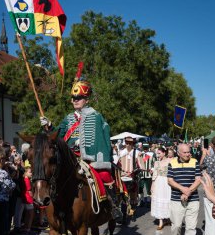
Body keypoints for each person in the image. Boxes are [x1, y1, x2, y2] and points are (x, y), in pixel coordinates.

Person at [40, 70, 122, 220]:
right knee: (52, 174)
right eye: (73, 98)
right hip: (70, 156)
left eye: (78, 98)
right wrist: (49, 126)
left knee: (104, 174)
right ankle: (49, 207)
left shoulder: (95, 116)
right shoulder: (68, 118)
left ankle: (113, 205)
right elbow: (57, 135)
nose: (75, 100)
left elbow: (102, 136)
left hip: (88, 158)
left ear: (86, 99)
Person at [167, 143, 201, 235]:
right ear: (179, 153)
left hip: (193, 199)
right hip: (176, 199)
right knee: (176, 225)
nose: (188, 154)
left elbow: (198, 179)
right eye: (185, 152)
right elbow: (170, 180)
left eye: (189, 152)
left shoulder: (195, 161)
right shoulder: (172, 163)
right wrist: (182, 189)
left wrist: (188, 192)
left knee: (191, 227)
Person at [118, 136, 142, 222]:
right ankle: (124, 215)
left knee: (133, 198)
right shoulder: (120, 153)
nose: (128, 145)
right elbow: (117, 165)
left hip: (133, 178)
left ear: (133, 144)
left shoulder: (137, 153)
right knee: (123, 198)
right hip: (122, 178)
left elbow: (141, 167)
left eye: (130, 143)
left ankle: (132, 212)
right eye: (127, 143)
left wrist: (133, 172)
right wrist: (121, 171)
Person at [151, 147, 171, 230]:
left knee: (167, 199)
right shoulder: (156, 162)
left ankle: (168, 218)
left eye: (159, 153)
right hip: (158, 182)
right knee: (159, 200)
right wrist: (152, 184)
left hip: (167, 182)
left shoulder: (170, 161)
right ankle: (161, 222)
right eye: (157, 153)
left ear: (164, 153)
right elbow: (154, 174)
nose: (157, 155)